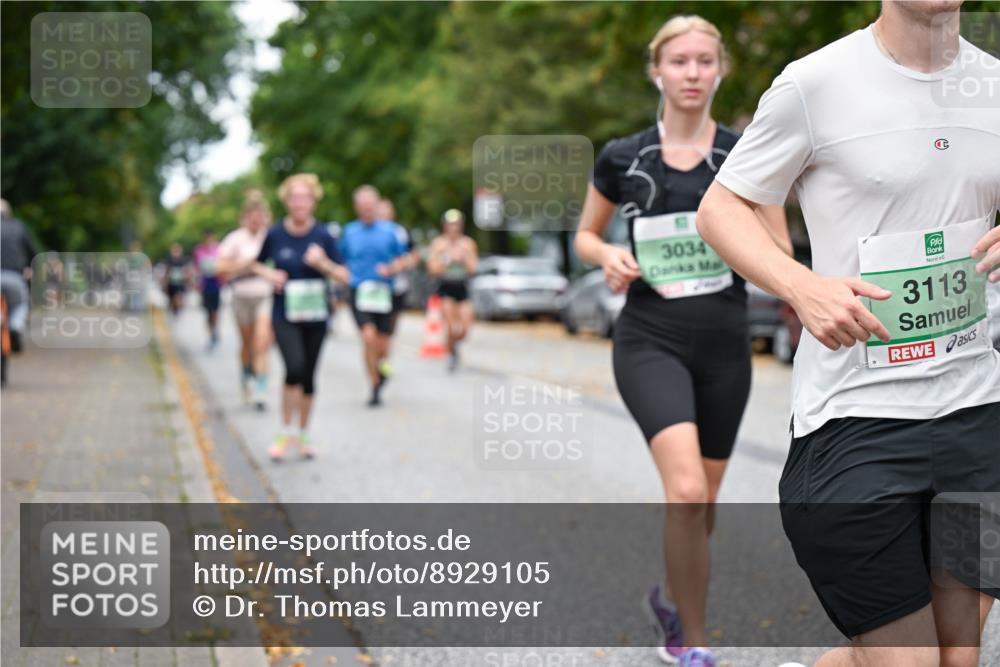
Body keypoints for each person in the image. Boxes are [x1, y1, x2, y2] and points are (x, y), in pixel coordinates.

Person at [697, 2, 999, 665]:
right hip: (857, 417)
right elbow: (721, 207)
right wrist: (800, 285)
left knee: (959, 656)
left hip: (977, 409)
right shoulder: (816, 83)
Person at [574, 15, 790, 667]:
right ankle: (691, 640)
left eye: (704, 61)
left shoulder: (748, 155)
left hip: (724, 342)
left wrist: (748, 251)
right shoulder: (623, 155)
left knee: (704, 500)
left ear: (720, 70)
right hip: (649, 336)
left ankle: (672, 597)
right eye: (679, 61)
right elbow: (585, 233)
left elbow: (780, 250)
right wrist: (606, 256)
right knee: (688, 490)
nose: (692, 73)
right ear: (657, 71)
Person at [252, 174, 349, 460]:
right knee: (293, 367)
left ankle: (303, 434)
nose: (299, 202)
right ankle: (285, 432)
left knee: (308, 376)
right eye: (294, 197)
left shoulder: (323, 236)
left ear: (313, 201)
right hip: (285, 312)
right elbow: (256, 265)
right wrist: (271, 274)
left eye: (305, 197)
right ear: (287, 201)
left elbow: (344, 276)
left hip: (317, 314)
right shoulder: (276, 234)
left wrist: (324, 264)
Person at [338, 185, 408, 407]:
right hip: (360, 291)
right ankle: (375, 385)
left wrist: (392, 268)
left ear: (377, 206)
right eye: (363, 205)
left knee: (383, 344)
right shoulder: (349, 232)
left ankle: (381, 368)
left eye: (371, 205)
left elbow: (405, 258)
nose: (367, 209)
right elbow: (340, 260)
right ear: (357, 207)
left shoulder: (390, 231)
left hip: (384, 292)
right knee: (368, 338)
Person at [218, 190, 273, 409]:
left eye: (260, 215)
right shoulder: (235, 239)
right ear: (245, 217)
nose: (256, 220)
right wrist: (246, 264)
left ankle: (261, 388)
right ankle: (245, 375)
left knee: (262, 342)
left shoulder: (269, 238)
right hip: (241, 296)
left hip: (264, 296)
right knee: (247, 343)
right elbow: (220, 267)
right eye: (253, 215)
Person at [427, 209, 478, 372]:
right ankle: (451, 354)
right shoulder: (439, 244)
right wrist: (448, 260)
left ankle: (454, 346)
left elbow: (473, 268)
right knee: (451, 326)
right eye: (450, 225)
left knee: (464, 328)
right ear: (445, 226)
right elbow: (433, 268)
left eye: (456, 225)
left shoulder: (468, 244)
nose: (453, 228)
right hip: (446, 288)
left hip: (462, 287)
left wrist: (463, 258)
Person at [376, 197, 420, 379]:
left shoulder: (400, 232)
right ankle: (377, 361)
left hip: (396, 288)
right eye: (381, 212)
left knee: (388, 330)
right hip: (373, 289)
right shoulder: (367, 232)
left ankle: (383, 360)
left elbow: (414, 255)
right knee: (375, 330)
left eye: (387, 211)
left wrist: (399, 266)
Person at [0, 199, 39, 352]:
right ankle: (15, 327)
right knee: (20, 306)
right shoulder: (19, 227)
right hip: (14, 277)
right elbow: (34, 254)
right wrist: (30, 270)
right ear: (9, 214)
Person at [193, 231, 222, 349]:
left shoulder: (219, 250)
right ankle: (210, 333)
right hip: (204, 285)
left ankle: (215, 329)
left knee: (215, 311)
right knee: (207, 312)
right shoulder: (199, 251)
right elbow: (196, 268)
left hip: (217, 284)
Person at [163, 243, 189, 316]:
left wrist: (187, 279)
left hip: (180, 282)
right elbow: (166, 271)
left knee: (178, 297)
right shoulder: (169, 260)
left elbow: (186, 271)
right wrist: (165, 282)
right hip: (171, 283)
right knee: (172, 298)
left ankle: (178, 309)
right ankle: (174, 310)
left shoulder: (183, 260)